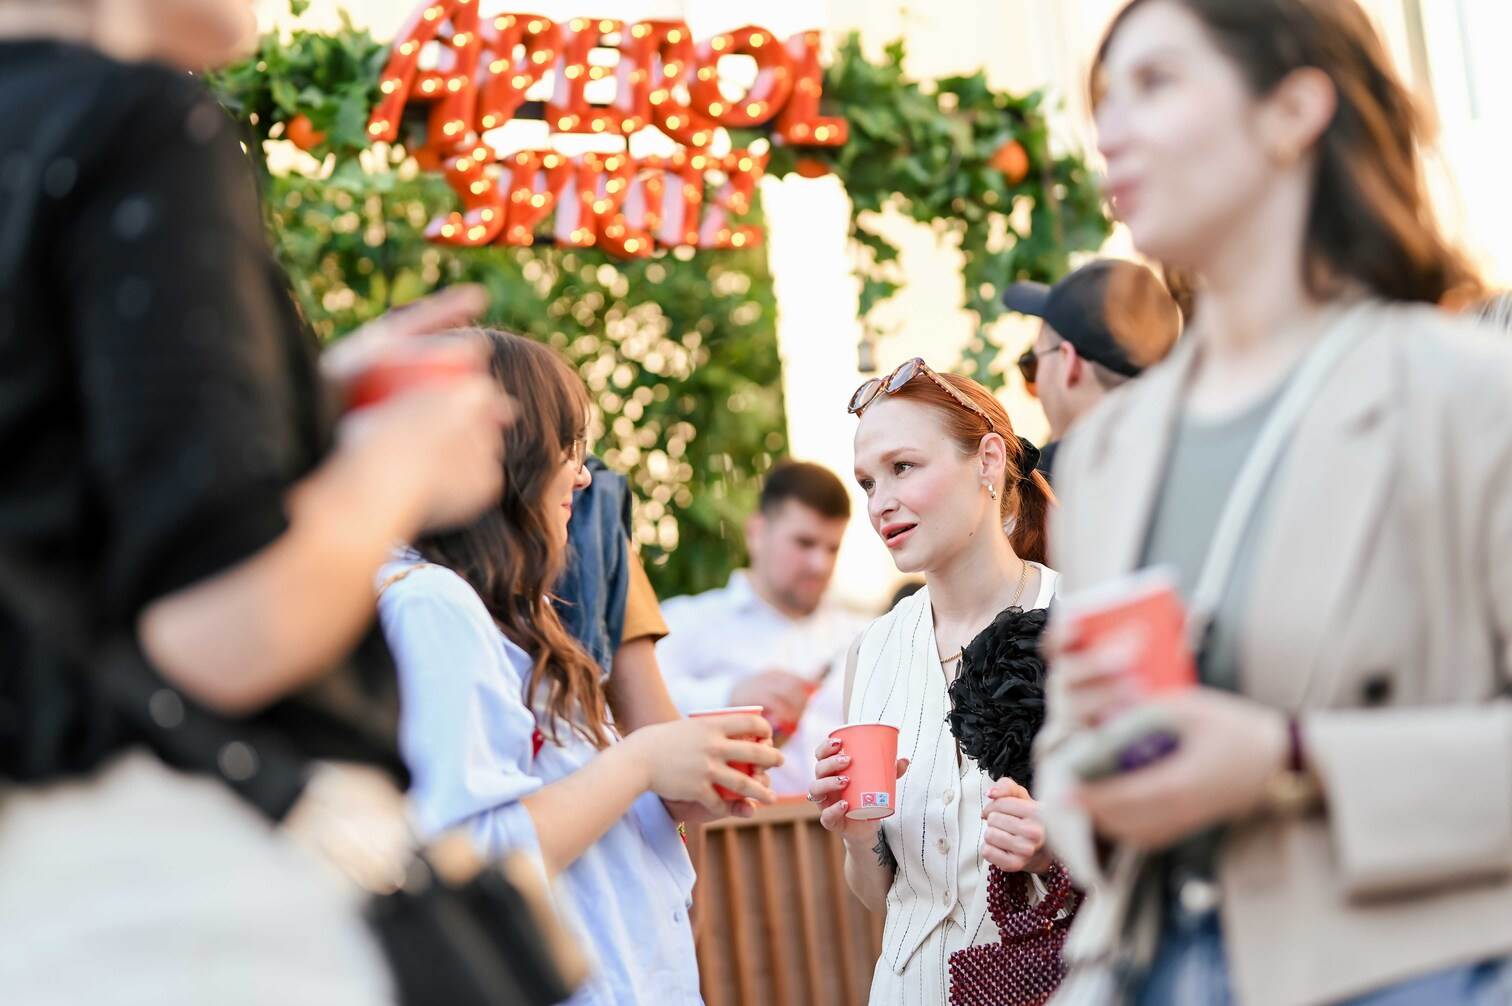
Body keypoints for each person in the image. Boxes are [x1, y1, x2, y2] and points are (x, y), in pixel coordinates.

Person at [0, 2, 514, 1002]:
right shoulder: (135, 124)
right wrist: (399, 464)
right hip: (184, 911)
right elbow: (222, 636)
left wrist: (296, 405)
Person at [1036, 2, 1512, 1004]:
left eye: (1156, 84)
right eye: (1103, 99)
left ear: (1294, 109)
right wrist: (1093, 778)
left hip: (1411, 969)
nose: (1109, 128)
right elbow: (1070, 757)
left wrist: (1293, 758)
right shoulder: (1112, 446)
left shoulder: (1468, 395)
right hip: (1145, 968)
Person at [378, 330, 783, 1006]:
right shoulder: (430, 603)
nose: (584, 475)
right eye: (567, 447)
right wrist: (642, 762)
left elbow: (573, 823)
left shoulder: (504, 609)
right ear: (509, 452)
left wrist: (685, 776)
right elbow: (475, 856)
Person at [807, 357, 1062, 1004]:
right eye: (867, 482)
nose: (880, 502)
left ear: (986, 461)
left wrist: (1057, 844)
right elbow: (876, 895)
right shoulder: (874, 651)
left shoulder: (1080, 622)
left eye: (904, 467)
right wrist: (858, 834)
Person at [657, 460, 866, 793]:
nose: (820, 564)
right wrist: (730, 695)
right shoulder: (686, 622)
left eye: (832, 548)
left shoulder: (865, 635)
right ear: (756, 533)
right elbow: (637, 714)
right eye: (804, 543)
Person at [1006, 259, 1181, 483]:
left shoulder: (1026, 494)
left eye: (1031, 363)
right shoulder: (1191, 465)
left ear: (1068, 362)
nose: (1035, 382)